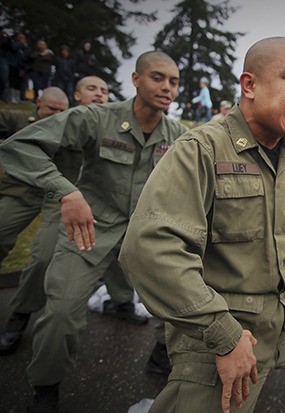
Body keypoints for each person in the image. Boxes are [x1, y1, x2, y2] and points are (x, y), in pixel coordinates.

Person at [119, 37, 285, 413]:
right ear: (249, 85)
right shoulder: (201, 149)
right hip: (224, 319)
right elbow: (148, 249)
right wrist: (223, 334)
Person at [0, 51, 187, 412]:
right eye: (157, 78)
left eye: (174, 81)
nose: (166, 87)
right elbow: (18, 146)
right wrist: (65, 190)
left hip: (143, 232)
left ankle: (162, 355)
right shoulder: (97, 118)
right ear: (136, 80)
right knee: (60, 314)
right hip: (91, 228)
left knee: (181, 300)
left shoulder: (178, 136)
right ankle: (46, 389)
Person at [0, 76, 139, 358]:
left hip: (72, 198)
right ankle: (24, 313)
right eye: (92, 89)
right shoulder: (50, 119)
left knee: (73, 252)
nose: (99, 94)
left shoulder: (108, 123)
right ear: (76, 95)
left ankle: (121, 302)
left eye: (104, 90)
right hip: (30, 189)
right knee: (24, 245)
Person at [0, 87, 69, 268]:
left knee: (48, 253)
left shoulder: (70, 125)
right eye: (52, 109)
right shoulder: (20, 120)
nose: (57, 114)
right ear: (39, 102)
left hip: (56, 195)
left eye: (62, 111)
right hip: (21, 191)